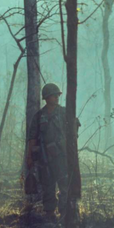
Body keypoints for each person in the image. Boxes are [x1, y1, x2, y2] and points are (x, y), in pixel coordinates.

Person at [26, 83, 79, 220]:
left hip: (62, 158)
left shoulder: (64, 113)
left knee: (64, 186)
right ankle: (49, 213)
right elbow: (32, 138)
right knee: (48, 186)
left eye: (57, 95)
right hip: (45, 159)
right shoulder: (39, 116)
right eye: (53, 95)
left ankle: (65, 213)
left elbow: (74, 132)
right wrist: (30, 157)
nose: (56, 98)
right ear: (46, 98)